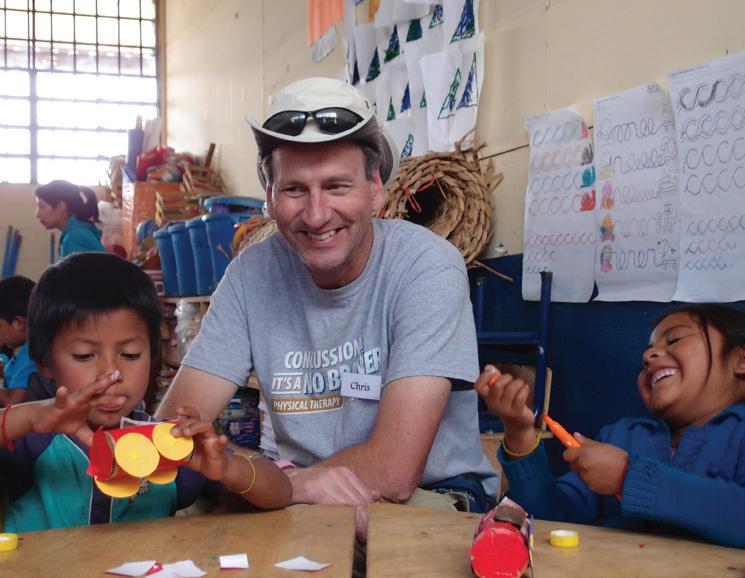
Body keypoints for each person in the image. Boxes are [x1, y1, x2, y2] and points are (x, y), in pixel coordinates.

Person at [156, 77, 498, 541]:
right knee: (183, 537)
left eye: (337, 186)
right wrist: (289, 484)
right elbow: (169, 435)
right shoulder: (250, 275)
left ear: (375, 189)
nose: (317, 215)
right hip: (298, 489)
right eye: (295, 190)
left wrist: (274, 483)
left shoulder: (427, 266)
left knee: (363, 542)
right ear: (270, 198)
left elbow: (394, 474)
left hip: (430, 491)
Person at [0, 253, 292, 533]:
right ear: (44, 362)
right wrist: (30, 416)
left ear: (151, 355)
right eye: (84, 355)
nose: (111, 374)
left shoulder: (169, 443)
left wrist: (227, 467)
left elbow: (282, 492)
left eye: (130, 354)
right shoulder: (32, 440)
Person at [476, 304, 745, 549]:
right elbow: (550, 519)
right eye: (645, 356)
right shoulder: (620, 437)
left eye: (674, 340)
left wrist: (628, 477)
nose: (648, 356)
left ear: (741, 361)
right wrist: (519, 434)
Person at [0, 276, 44, 405]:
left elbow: (13, 400)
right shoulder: (28, 350)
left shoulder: (30, 355)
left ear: (19, 323)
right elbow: (16, 374)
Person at [34, 179, 105, 258]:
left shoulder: (75, 238)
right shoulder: (79, 233)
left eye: (42, 206)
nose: (37, 214)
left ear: (61, 207)